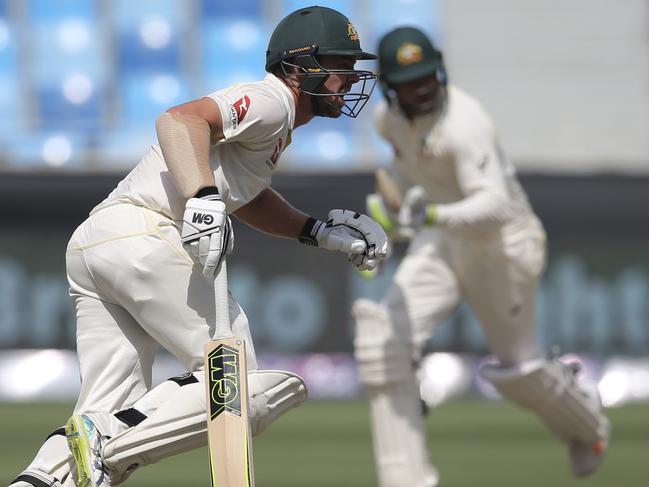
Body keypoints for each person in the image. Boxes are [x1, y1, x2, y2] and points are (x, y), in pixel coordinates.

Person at [10, 6, 389, 487]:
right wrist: (203, 198)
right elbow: (178, 121)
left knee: (111, 412)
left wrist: (316, 232)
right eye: (341, 66)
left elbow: (247, 198)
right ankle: (105, 438)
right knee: (237, 382)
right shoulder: (271, 101)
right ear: (300, 68)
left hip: (99, 243)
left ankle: (49, 472)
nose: (351, 79)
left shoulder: (277, 126)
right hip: (144, 236)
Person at [352, 26, 610, 487]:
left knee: (520, 371)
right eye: (410, 82)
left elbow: (494, 208)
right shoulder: (387, 122)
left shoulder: (464, 124)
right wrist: (390, 206)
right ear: (390, 88)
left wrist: (427, 211)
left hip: (501, 247)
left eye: (428, 76)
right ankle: (406, 479)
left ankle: (589, 427)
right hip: (445, 241)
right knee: (380, 344)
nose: (423, 87)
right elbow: (401, 174)